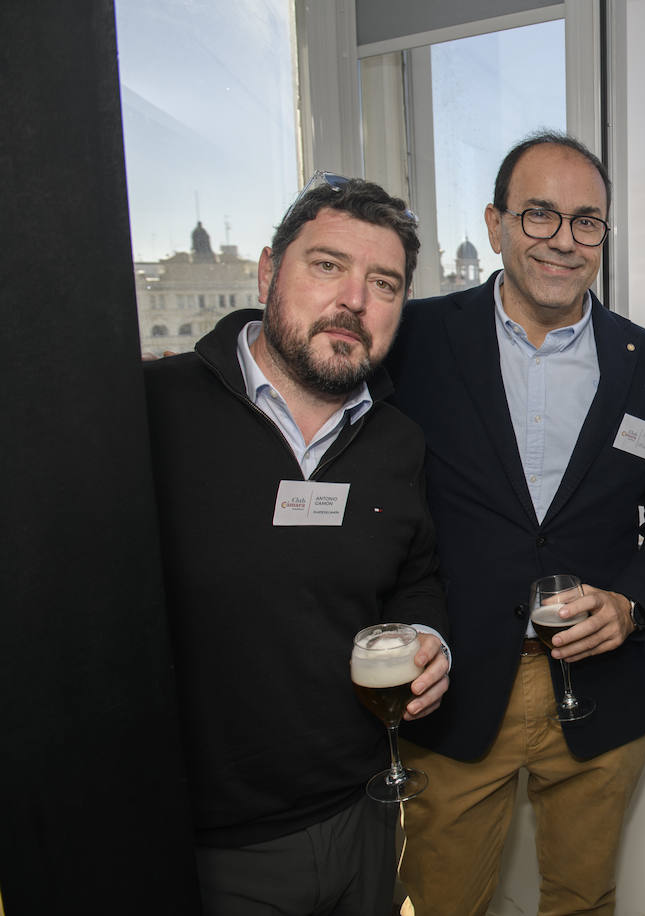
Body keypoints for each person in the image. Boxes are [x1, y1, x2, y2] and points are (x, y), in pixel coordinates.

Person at [385, 131, 645, 915]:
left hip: (599, 697)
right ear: (495, 225)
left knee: (584, 901)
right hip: (454, 689)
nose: (564, 241)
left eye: (586, 221)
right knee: (439, 903)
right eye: (539, 215)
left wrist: (630, 604)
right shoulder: (416, 339)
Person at [143, 173, 451, 915]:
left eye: (384, 282)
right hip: (214, 843)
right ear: (266, 272)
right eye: (327, 266)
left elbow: (415, 575)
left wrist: (431, 637)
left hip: (366, 810)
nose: (354, 299)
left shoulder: (398, 440)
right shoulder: (153, 413)